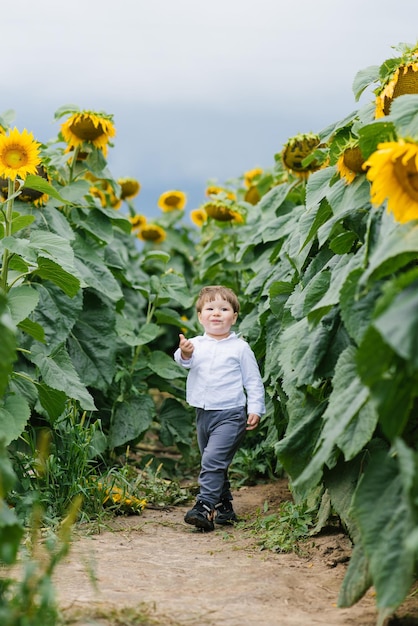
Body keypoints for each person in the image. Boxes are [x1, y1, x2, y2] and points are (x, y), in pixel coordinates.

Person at [174, 285, 265, 532]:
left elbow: (253, 380)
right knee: (214, 461)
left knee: (213, 460)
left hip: (231, 413)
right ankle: (225, 507)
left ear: (234, 317)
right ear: (200, 316)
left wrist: (255, 407)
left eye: (224, 309)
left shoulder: (240, 348)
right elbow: (184, 362)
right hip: (203, 413)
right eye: (210, 309)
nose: (216, 313)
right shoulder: (194, 344)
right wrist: (184, 353)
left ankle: (204, 506)